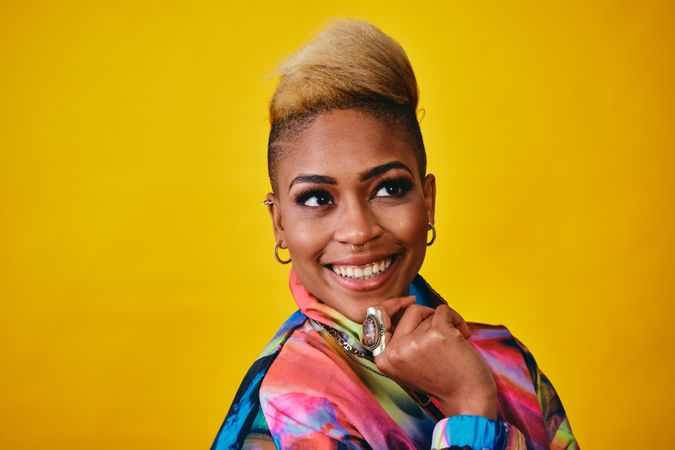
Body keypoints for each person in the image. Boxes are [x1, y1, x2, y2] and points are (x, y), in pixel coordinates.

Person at [211, 19, 579, 450]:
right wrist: (469, 407)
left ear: (428, 202)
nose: (359, 230)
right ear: (280, 225)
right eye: (316, 198)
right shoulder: (288, 406)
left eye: (389, 188)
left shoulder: (507, 361)